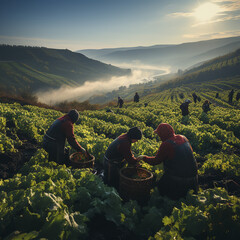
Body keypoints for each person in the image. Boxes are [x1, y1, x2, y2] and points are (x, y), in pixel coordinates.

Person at [138, 123, 198, 200]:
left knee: (159, 190)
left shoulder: (166, 144)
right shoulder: (183, 138)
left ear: (162, 134)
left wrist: (144, 157)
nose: (159, 136)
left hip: (178, 179)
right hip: (194, 177)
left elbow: (156, 161)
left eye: (159, 134)